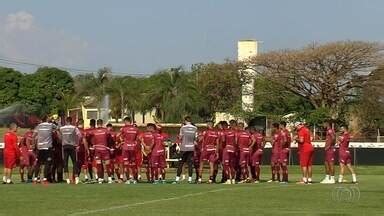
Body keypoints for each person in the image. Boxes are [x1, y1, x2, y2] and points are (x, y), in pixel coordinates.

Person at [85, 119, 113, 184]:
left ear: (97, 124)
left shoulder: (93, 131)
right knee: (107, 164)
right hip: (105, 149)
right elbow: (110, 139)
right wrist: (109, 146)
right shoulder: (106, 130)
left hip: (97, 150)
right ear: (102, 123)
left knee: (99, 164)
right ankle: (109, 178)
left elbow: (87, 137)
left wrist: (91, 145)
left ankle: (100, 179)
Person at [33, 116, 57, 184]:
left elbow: (33, 136)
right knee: (47, 163)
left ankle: (35, 178)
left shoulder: (38, 126)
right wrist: (53, 121)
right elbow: (58, 128)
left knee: (38, 163)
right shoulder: (51, 125)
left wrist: (34, 145)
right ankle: (45, 178)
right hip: (48, 147)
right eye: (48, 117)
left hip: (40, 147)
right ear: (46, 119)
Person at [174, 116, 197, 184]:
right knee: (190, 164)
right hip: (191, 148)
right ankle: (190, 179)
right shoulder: (195, 128)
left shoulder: (183, 128)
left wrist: (178, 137)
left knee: (181, 164)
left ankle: (177, 179)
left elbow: (180, 137)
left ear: (185, 121)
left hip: (184, 148)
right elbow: (196, 139)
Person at [59, 117, 81, 184]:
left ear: (66, 121)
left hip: (65, 146)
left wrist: (62, 140)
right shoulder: (74, 128)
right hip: (72, 146)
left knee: (65, 162)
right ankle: (76, 178)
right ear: (71, 121)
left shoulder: (62, 128)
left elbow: (59, 135)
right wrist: (77, 143)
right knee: (74, 162)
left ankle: (67, 179)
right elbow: (79, 136)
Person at [119, 117, 140, 184]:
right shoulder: (136, 129)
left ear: (126, 121)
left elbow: (120, 137)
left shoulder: (123, 129)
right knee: (134, 164)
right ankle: (135, 179)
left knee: (126, 164)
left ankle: (128, 179)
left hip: (126, 148)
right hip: (133, 147)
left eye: (124, 122)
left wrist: (122, 141)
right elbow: (138, 139)